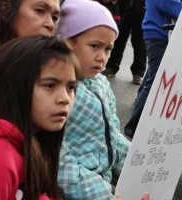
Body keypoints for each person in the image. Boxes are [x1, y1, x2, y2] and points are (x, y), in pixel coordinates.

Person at [0, 35, 79, 200]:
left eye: (71, 87)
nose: (65, 98)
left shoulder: (25, 136)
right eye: (49, 85)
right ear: (15, 85)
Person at [56, 0, 131, 199]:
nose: (102, 57)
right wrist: (104, 193)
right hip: (77, 190)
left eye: (108, 49)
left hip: (104, 180)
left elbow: (113, 133)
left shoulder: (101, 83)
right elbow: (56, 158)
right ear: (67, 42)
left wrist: (134, 165)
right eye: (95, 46)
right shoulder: (55, 91)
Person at [124, 0, 182, 138]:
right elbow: (171, 6)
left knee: (151, 79)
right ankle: (133, 127)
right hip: (158, 33)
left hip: (162, 34)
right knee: (155, 82)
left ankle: (136, 122)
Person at [102, 0, 146, 85]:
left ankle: (138, 72)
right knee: (119, 38)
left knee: (140, 42)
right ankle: (112, 67)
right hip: (123, 7)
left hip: (141, 9)